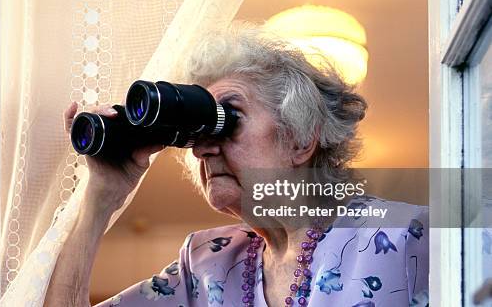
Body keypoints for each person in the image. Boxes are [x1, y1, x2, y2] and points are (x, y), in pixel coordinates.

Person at [45, 25, 429, 307]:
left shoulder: (407, 236)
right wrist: (102, 196)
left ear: (300, 139)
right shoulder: (205, 262)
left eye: (228, 118)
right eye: (198, 132)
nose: (202, 150)